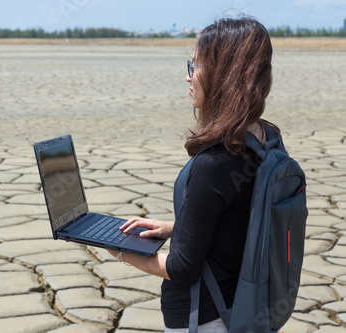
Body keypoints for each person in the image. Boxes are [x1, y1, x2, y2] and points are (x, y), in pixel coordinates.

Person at [106, 16, 278, 332]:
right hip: (243, 306)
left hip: (205, 318)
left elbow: (182, 268)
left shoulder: (214, 163)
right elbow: (240, 219)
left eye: (196, 66)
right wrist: (176, 227)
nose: (189, 77)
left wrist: (120, 251)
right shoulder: (265, 139)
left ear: (224, 76)